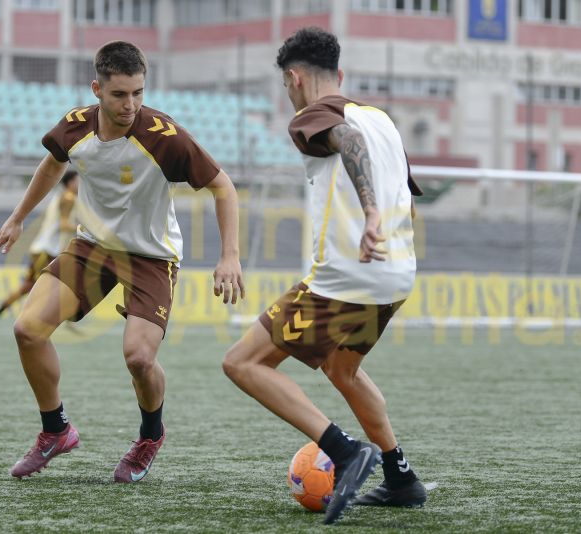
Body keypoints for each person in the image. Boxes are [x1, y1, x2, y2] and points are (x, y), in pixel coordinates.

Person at [0, 41, 244, 483]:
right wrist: (17, 218)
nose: (131, 105)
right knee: (27, 330)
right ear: (97, 90)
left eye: (138, 93)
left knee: (139, 359)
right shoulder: (75, 128)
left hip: (151, 255)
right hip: (92, 247)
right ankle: (55, 430)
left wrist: (230, 256)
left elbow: (224, 186)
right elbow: (51, 166)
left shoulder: (164, 137)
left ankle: (149, 436)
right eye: (120, 94)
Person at [222, 27, 426, 524]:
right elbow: (405, 186)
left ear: (295, 79)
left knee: (243, 363)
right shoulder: (381, 119)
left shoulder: (311, 115)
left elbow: (345, 139)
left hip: (347, 280)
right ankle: (401, 478)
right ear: (340, 74)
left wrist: (370, 214)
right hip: (395, 276)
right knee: (342, 369)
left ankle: (345, 449)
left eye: (286, 85)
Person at [0, 169, 80, 340]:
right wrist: (84, 228)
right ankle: (34, 322)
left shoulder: (63, 197)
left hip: (44, 250)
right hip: (46, 251)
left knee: (32, 287)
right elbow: (65, 225)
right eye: (78, 181)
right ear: (70, 183)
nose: (80, 185)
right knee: (47, 287)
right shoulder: (68, 198)